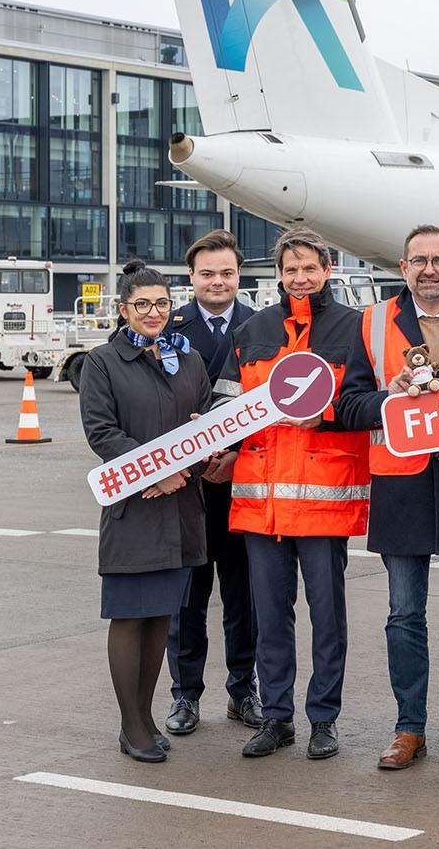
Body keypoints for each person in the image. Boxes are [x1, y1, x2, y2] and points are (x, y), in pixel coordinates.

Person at [335, 225, 439, 770]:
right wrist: (393, 397)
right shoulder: (374, 321)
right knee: (404, 613)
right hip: (400, 481)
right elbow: (350, 406)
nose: (428, 269)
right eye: (418, 261)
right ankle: (409, 727)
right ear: (402, 267)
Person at [214, 228, 370, 761]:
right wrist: (210, 433)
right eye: (290, 269)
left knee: (328, 618)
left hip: (323, 499)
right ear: (278, 274)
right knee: (270, 617)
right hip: (261, 504)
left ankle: (323, 719)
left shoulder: (355, 329)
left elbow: (362, 404)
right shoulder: (253, 329)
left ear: (328, 269)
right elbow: (226, 404)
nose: (299, 278)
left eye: (309, 268)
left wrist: (322, 413)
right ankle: (277, 717)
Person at [78, 260, 209, 763]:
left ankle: (148, 714)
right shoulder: (102, 362)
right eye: (142, 305)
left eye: (160, 304)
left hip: (179, 510)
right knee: (130, 617)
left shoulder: (189, 360)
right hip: (133, 508)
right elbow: (102, 433)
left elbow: (203, 428)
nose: (152, 312)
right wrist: (152, 471)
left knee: (161, 618)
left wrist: (190, 465)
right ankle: (130, 724)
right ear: (123, 309)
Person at [163, 229, 261, 737]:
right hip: (187, 490)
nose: (217, 282)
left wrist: (236, 455)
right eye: (207, 274)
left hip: (243, 485)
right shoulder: (168, 327)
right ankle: (185, 694)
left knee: (244, 598)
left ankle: (243, 690)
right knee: (187, 600)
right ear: (191, 278)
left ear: (239, 276)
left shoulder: (261, 325)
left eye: (226, 273)